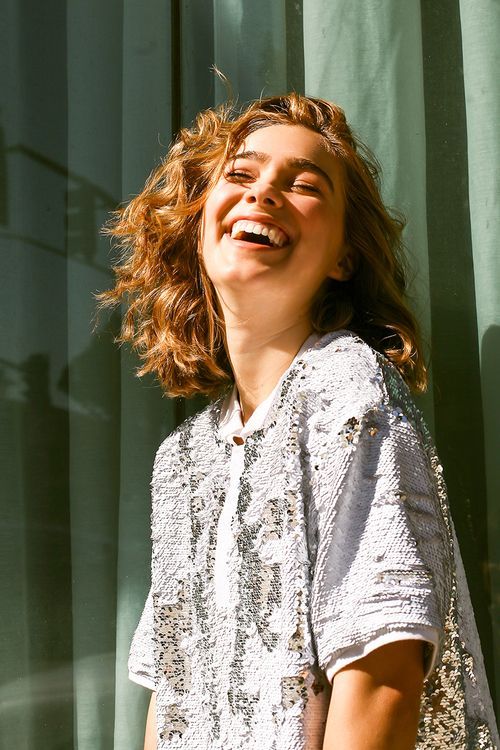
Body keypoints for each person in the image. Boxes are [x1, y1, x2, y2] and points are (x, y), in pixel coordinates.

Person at [100, 93, 499, 749]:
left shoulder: (348, 391)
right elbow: (172, 702)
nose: (264, 194)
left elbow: (382, 677)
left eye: (304, 184)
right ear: (199, 227)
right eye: (241, 175)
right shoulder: (184, 459)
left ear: (343, 257)